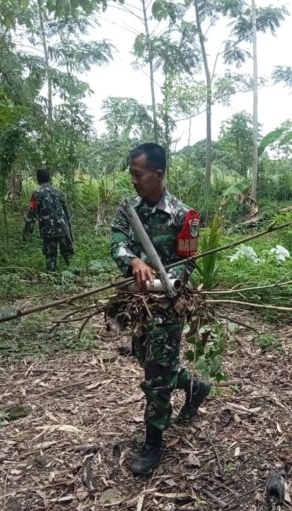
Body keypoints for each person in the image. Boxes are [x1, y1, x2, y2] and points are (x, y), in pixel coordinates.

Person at [111, 143, 210, 476]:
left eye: (138, 176)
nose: (134, 181)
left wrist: (165, 284)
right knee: (145, 357)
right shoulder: (129, 209)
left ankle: (153, 441)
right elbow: (118, 241)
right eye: (132, 176)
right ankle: (193, 386)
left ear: (158, 174)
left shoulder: (184, 215)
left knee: (155, 376)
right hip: (136, 305)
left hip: (167, 305)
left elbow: (188, 263)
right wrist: (133, 260)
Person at [24, 169, 74, 272]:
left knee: (50, 256)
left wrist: (27, 232)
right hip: (63, 229)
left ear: (38, 179)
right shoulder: (59, 192)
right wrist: (69, 230)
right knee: (69, 254)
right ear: (49, 178)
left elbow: (31, 214)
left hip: (48, 231)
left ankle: (53, 278)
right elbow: (67, 213)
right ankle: (75, 275)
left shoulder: (36, 194)